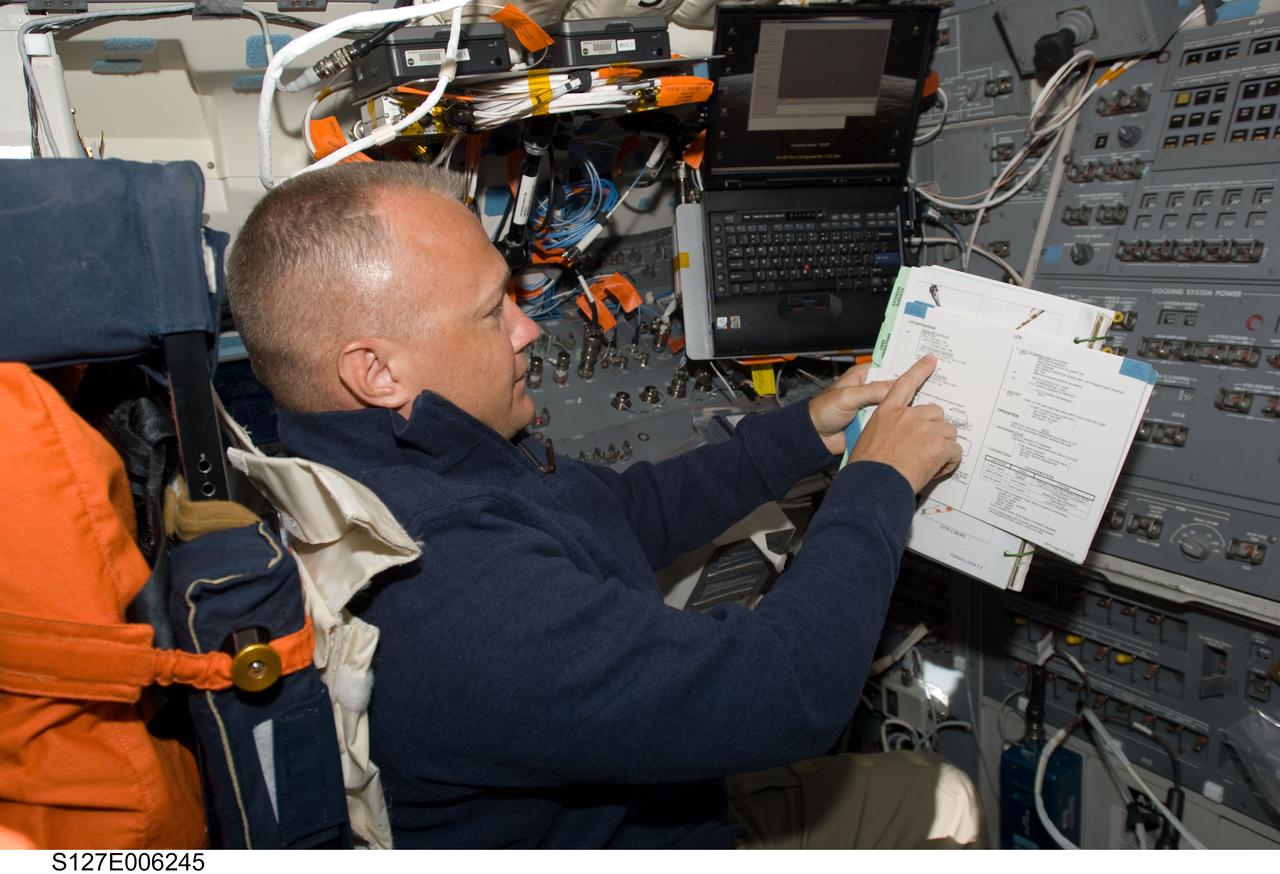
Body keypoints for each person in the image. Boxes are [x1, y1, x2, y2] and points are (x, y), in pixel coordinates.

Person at [226, 163, 979, 849]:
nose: (530, 330)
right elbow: (786, 694)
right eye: (493, 312)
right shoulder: (443, 584)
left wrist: (804, 430)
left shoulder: (391, 465)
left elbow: (616, 510)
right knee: (947, 799)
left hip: (643, 801)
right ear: (377, 370)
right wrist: (878, 481)